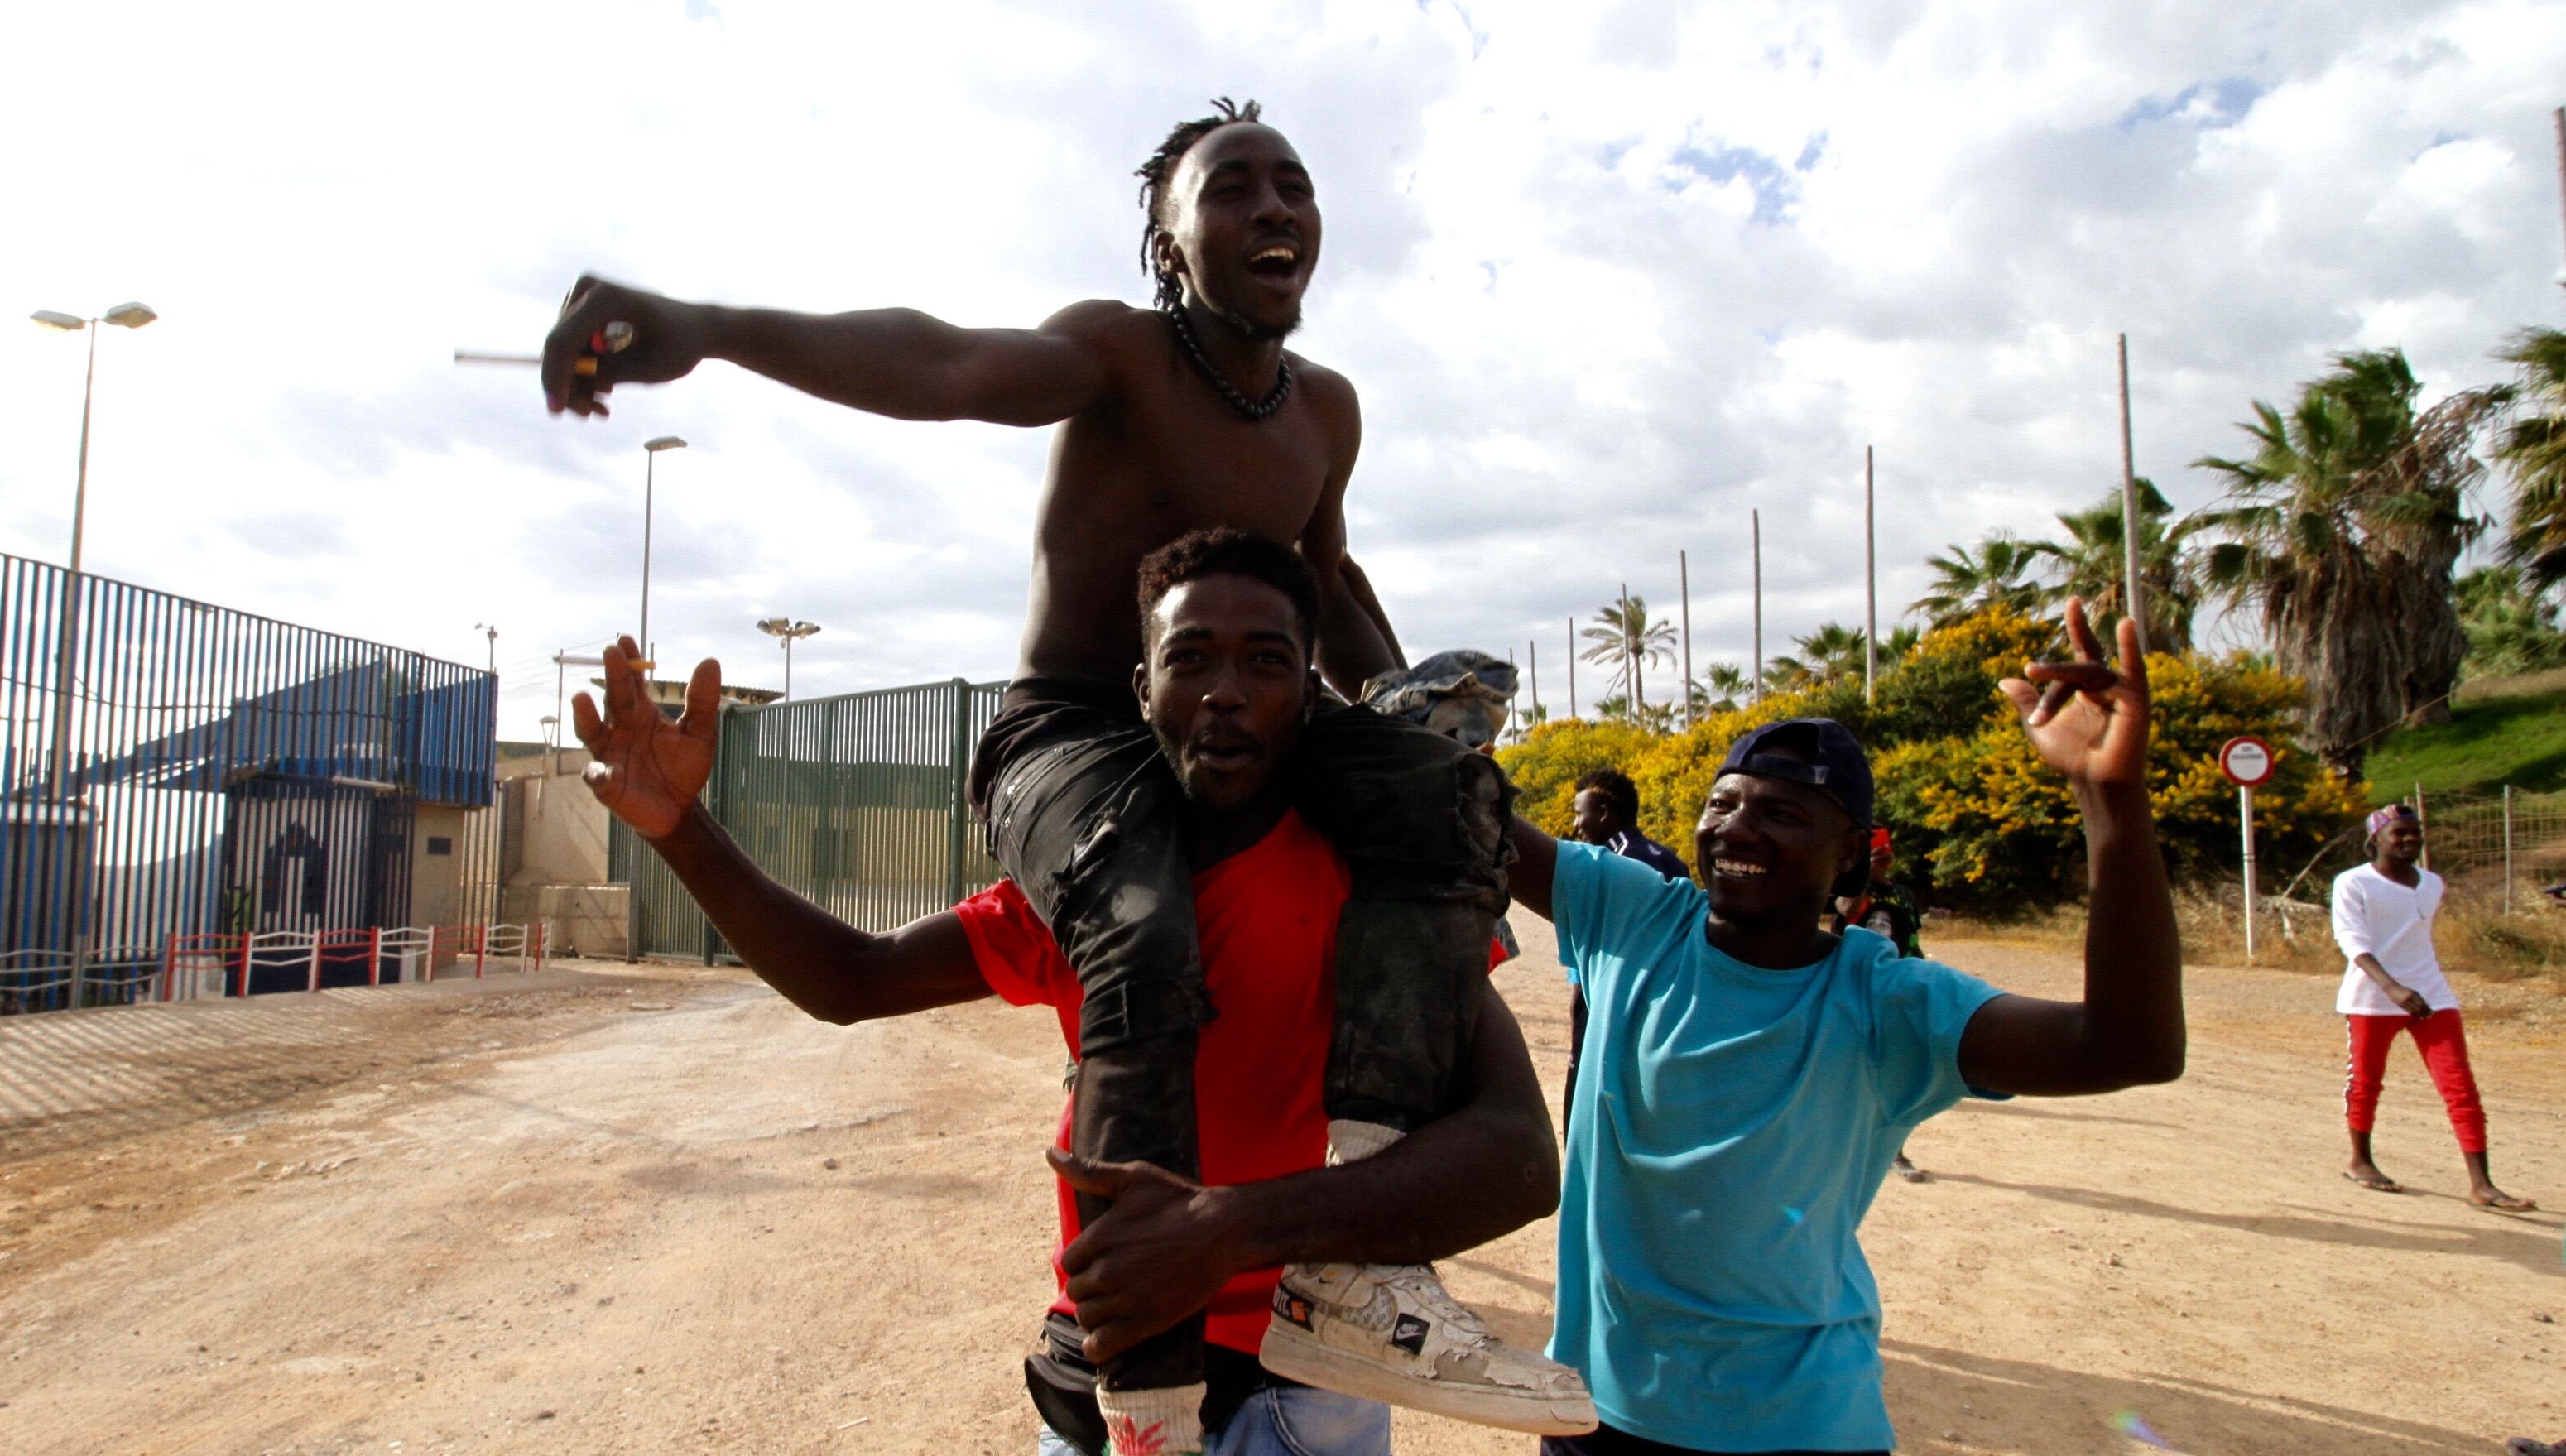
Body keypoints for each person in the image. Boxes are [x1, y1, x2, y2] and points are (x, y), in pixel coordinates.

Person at [537, 101, 1567, 1444]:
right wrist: (711, 326)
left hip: (1243, 744)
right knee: (1139, 919)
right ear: (1167, 242)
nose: (1274, 207)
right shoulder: (1121, 351)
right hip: (1078, 735)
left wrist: (1407, 727)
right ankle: (1134, 1353)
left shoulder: (1326, 410)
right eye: (1232, 188)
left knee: (1446, 803)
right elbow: (946, 361)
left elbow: (1325, 577)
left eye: (1294, 185)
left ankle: (1355, 1267)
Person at [572, 531, 1592, 1454]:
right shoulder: (1090, 889)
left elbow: (1513, 1156)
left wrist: (1230, 1230)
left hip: (1304, 1397)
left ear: (1310, 698)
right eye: (1191, 659)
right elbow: (854, 979)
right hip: (1108, 1389)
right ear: (1141, 689)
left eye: (1266, 661)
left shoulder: (1372, 885)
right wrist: (680, 831)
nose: (1226, 692)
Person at [1512, 602, 2188, 1454]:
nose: (1737, 827)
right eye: (1724, 802)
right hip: (1594, 1412)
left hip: (1797, 1427)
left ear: (1852, 858)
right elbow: (1455, 799)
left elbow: (2129, 1049)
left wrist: (2111, 798)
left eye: (1784, 815)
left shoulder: (1887, 1004)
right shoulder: (1631, 916)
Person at [2333, 805, 2535, 1210]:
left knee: (2460, 1087)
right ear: (2375, 839)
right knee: (2366, 1083)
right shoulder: (2353, 883)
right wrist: (2392, 988)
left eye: (2416, 832)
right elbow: (2351, 940)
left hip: (2432, 995)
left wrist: (2412, 986)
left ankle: (2482, 1185)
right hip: (2373, 997)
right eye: (2400, 833)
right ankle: (2361, 1160)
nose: (2411, 839)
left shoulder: (2432, 884)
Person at [1559, 771, 1686, 1131]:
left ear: (1602, 813)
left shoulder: (1609, 864)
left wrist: (1578, 1011)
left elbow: (1600, 949)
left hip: (1611, 1004)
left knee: (1590, 1108)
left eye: (1579, 813)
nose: (1575, 824)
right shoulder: (1669, 859)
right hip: (1663, 1007)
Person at [1825, 829, 1931, 1183]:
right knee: (1843, 1074)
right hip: (1851, 989)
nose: (1884, 862)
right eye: (1876, 856)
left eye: (1886, 856)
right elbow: (1846, 910)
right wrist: (1862, 877)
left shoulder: (1902, 894)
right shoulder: (1846, 890)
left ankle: (1893, 1152)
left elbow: (1911, 937)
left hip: (1895, 989)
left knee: (1895, 1073)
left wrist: (1919, 976)